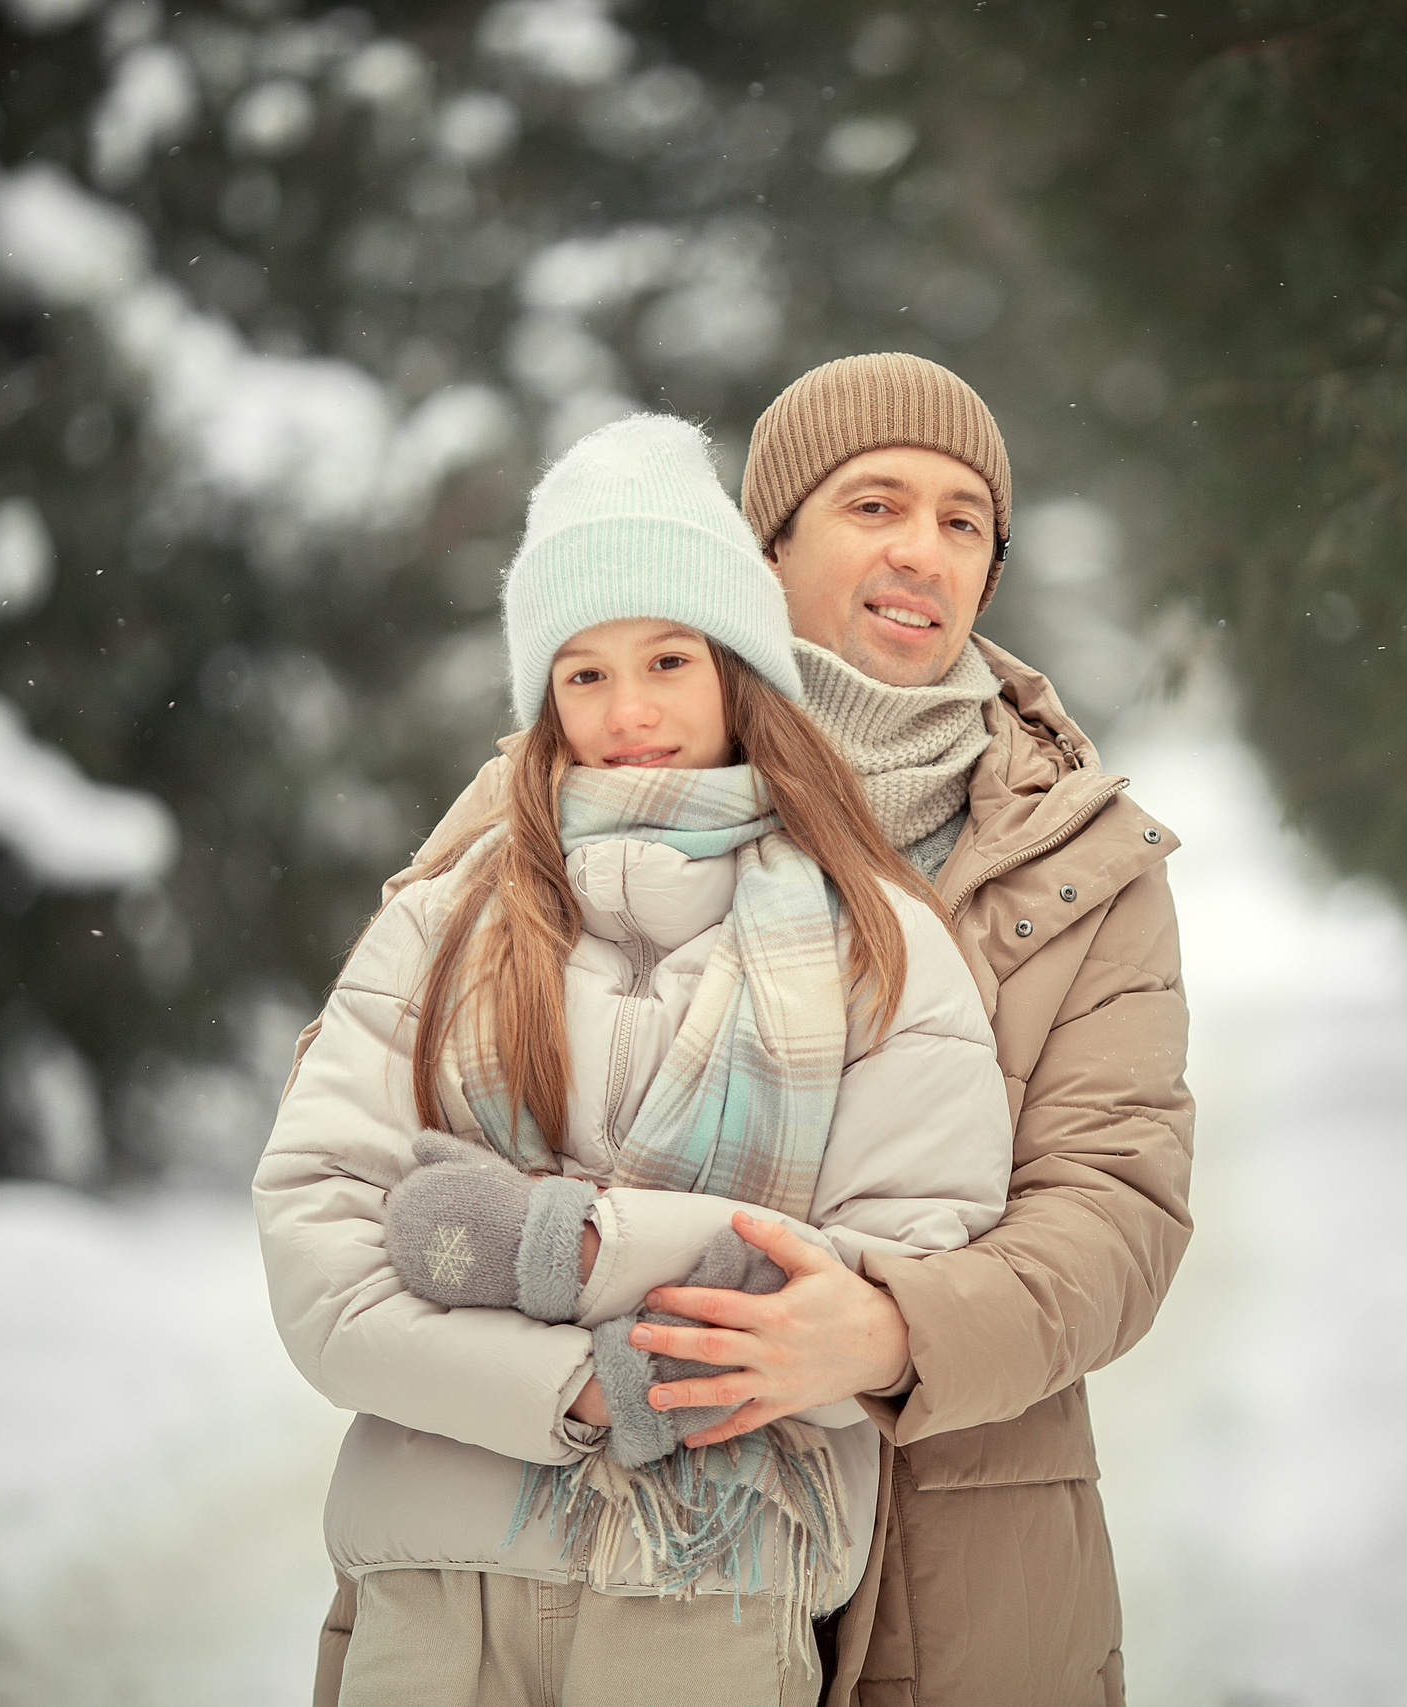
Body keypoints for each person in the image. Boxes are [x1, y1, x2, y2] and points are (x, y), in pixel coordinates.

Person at [315, 354, 1194, 1706]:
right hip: (532, 1572)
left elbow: (1116, 1216)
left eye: (966, 522)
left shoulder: (1079, 856)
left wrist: (893, 1332)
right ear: (764, 552)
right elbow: (377, 1151)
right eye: (874, 505)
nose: (924, 549)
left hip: (958, 1559)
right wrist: (582, 1351)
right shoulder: (565, 785)